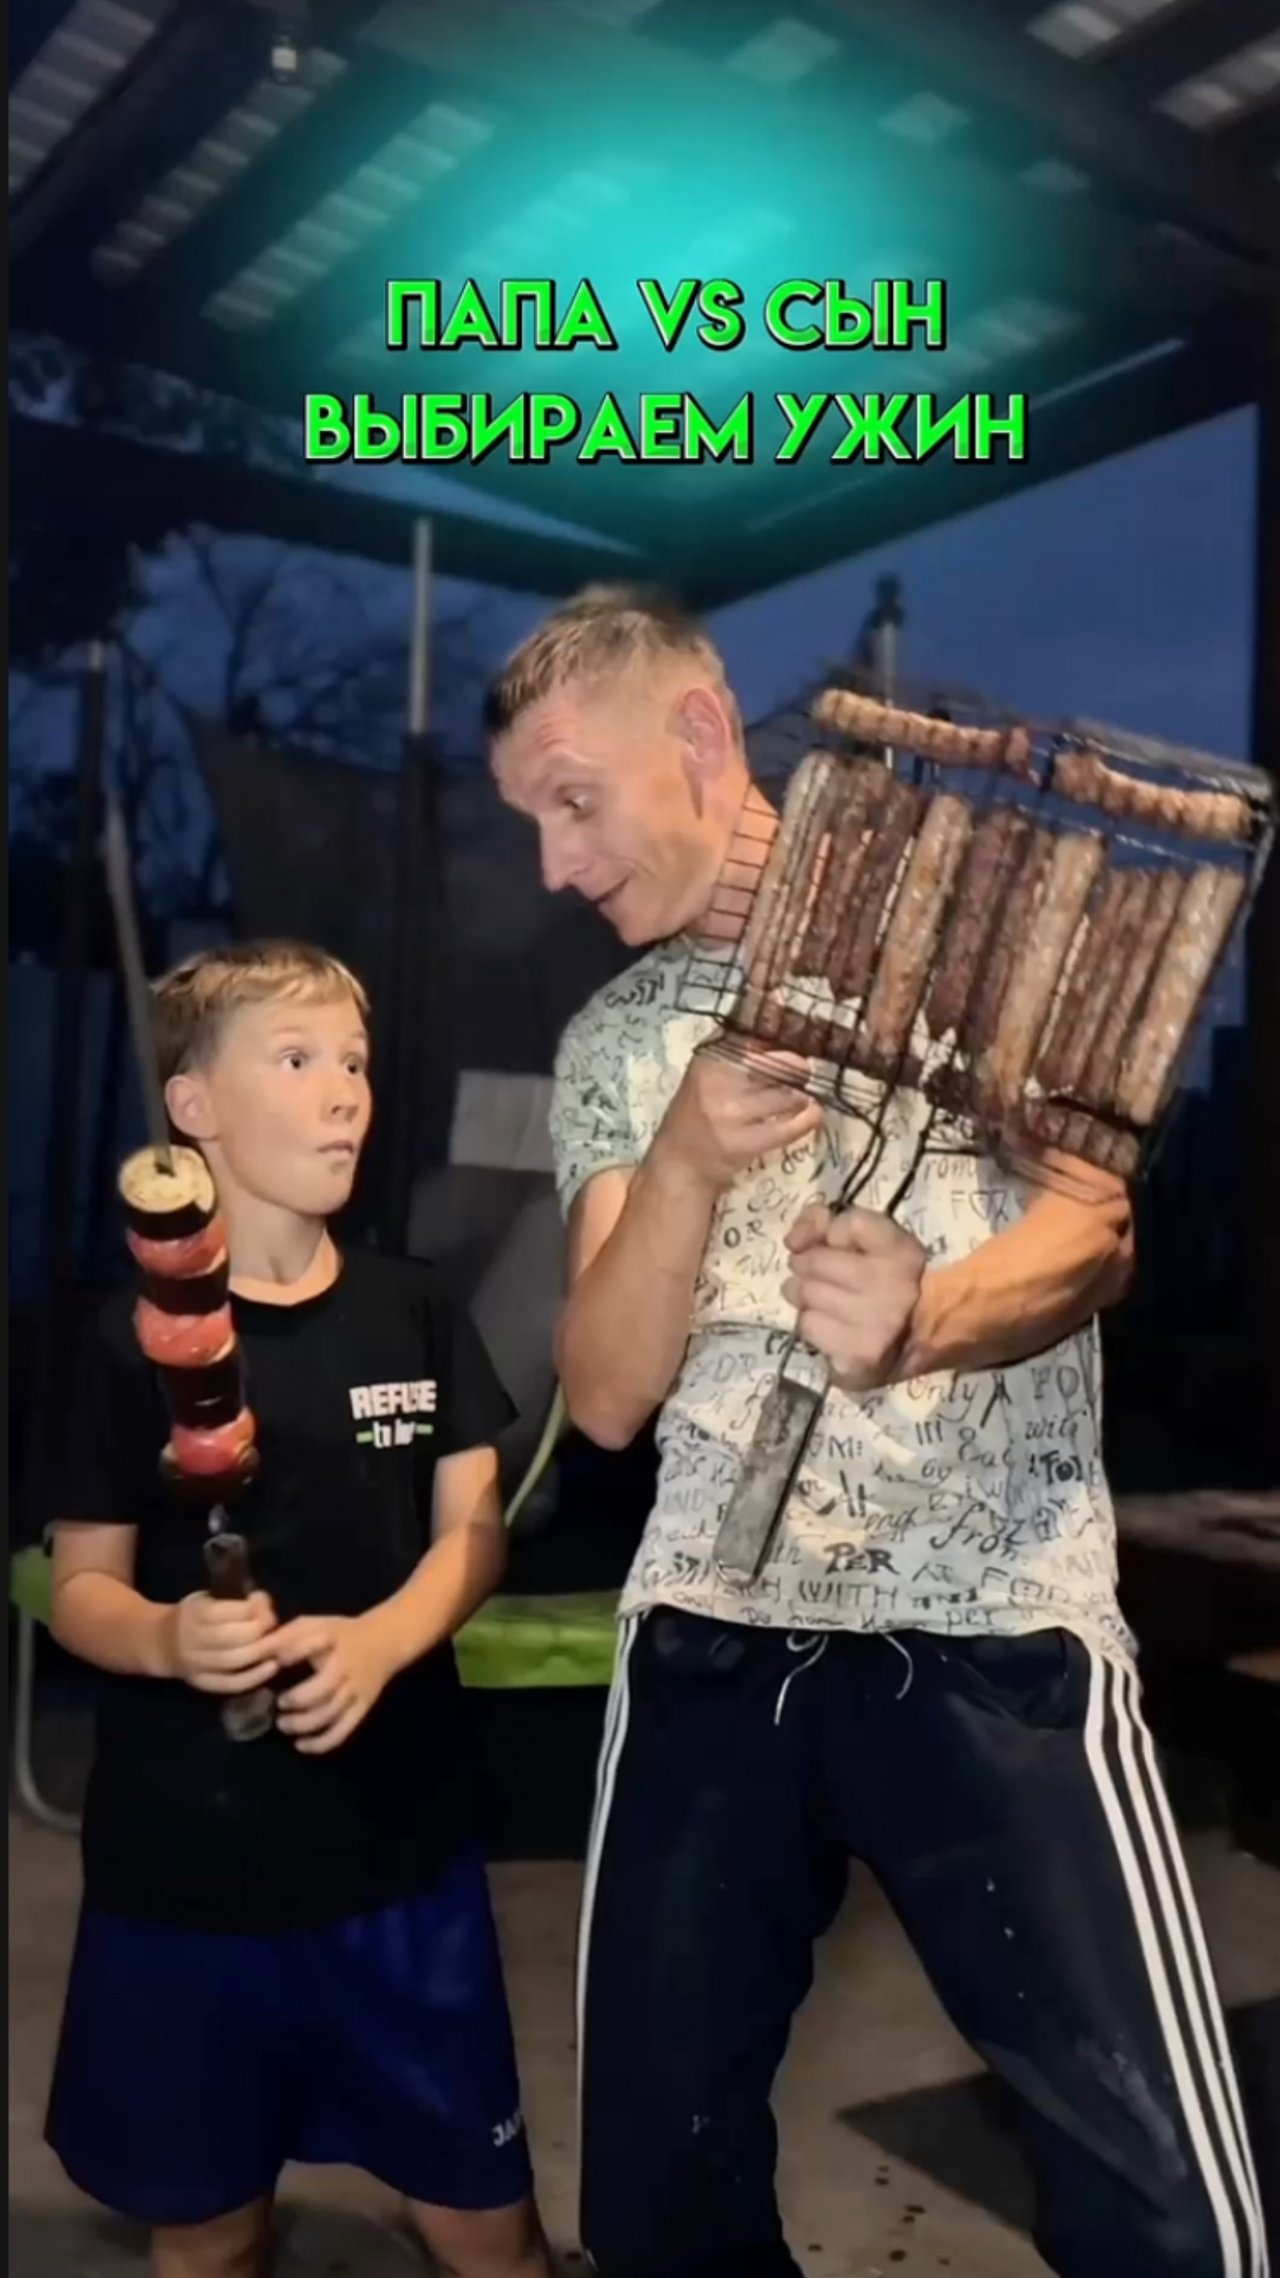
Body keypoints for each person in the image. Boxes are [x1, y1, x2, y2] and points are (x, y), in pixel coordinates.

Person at [487, 590, 1268, 2278]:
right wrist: (685, 1161)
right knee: (656, 2205)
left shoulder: (989, 933)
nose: (556, 864)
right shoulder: (618, 1040)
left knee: (1166, 2214)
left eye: (574, 801)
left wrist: (933, 1313)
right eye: (532, 822)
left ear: (701, 735)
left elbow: (1096, 1233)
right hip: (711, 1635)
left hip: (992, 1626)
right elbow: (606, 1393)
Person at [44, 940, 554, 2278]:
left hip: (400, 1862)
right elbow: (80, 1587)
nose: (344, 1093)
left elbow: (475, 1533)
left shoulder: (414, 1308)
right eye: (297, 1057)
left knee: (488, 2230)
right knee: (212, 2235)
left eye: (356, 1064)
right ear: (193, 1108)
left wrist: (384, 1640)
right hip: (185, 1876)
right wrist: (167, 1635)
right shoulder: (121, 1341)